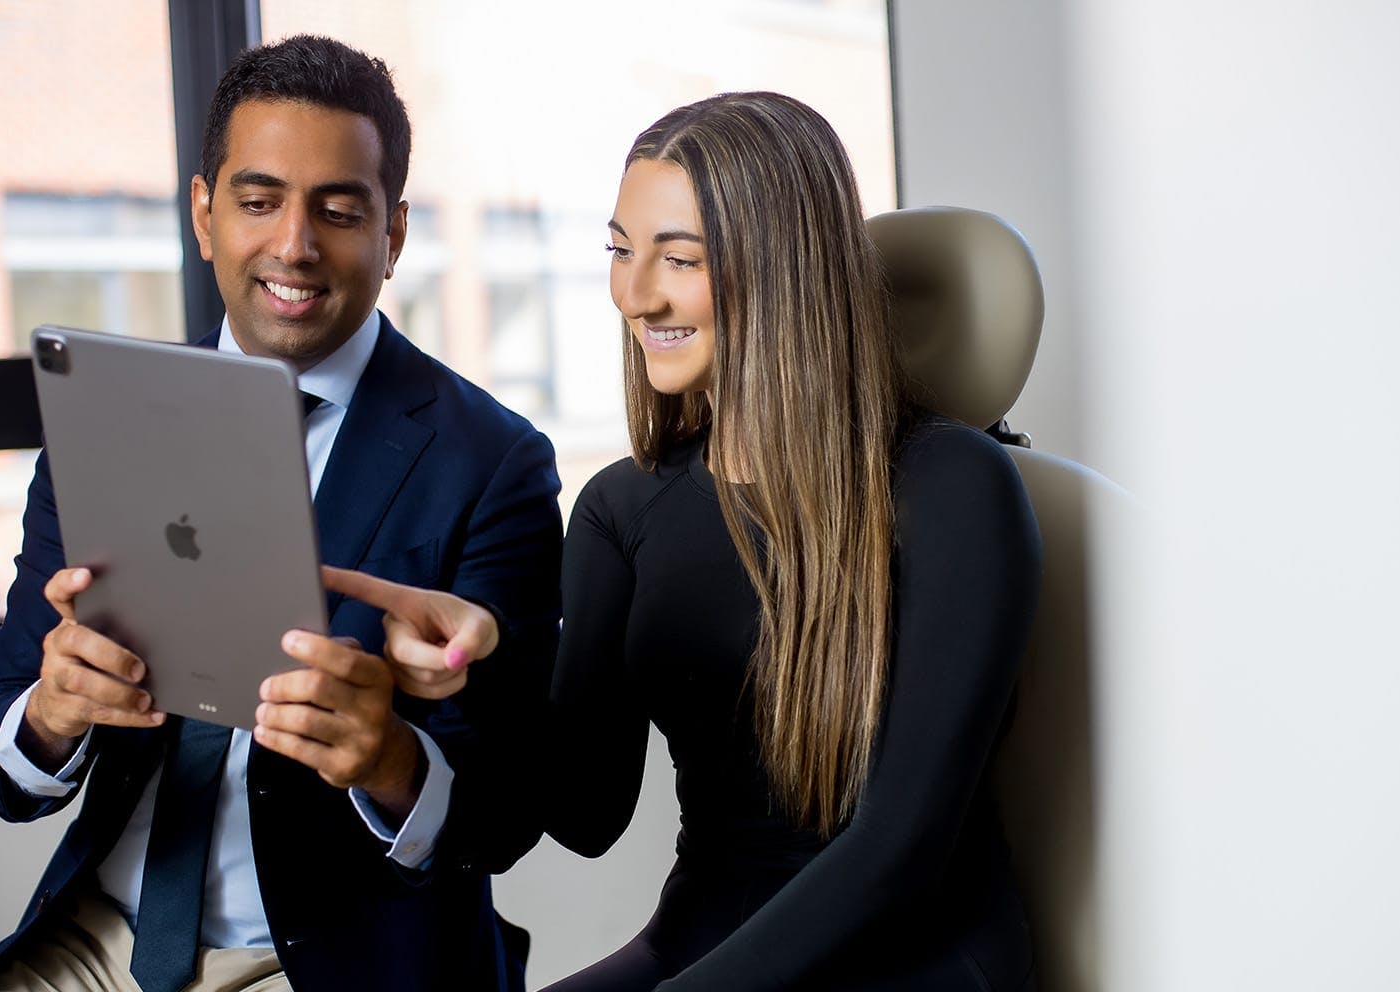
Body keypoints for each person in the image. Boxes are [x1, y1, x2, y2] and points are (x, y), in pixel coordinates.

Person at [344, 92, 1043, 990]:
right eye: (620, 250)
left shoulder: (954, 488)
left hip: (911, 954)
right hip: (701, 944)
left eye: (678, 258)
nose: (635, 295)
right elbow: (587, 813)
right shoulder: (621, 511)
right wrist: (483, 660)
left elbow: (900, 850)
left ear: (779, 268)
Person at [0, 35, 561, 992]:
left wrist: (393, 759)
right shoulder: (104, 420)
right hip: (98, 939)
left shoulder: (493, 463)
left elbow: (510, 813)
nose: (294, 244)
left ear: (393, 234)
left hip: (334, 960)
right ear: (204, 215)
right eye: (258, 200)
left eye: (338, 209)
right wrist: (54, 713)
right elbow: (1, 751)